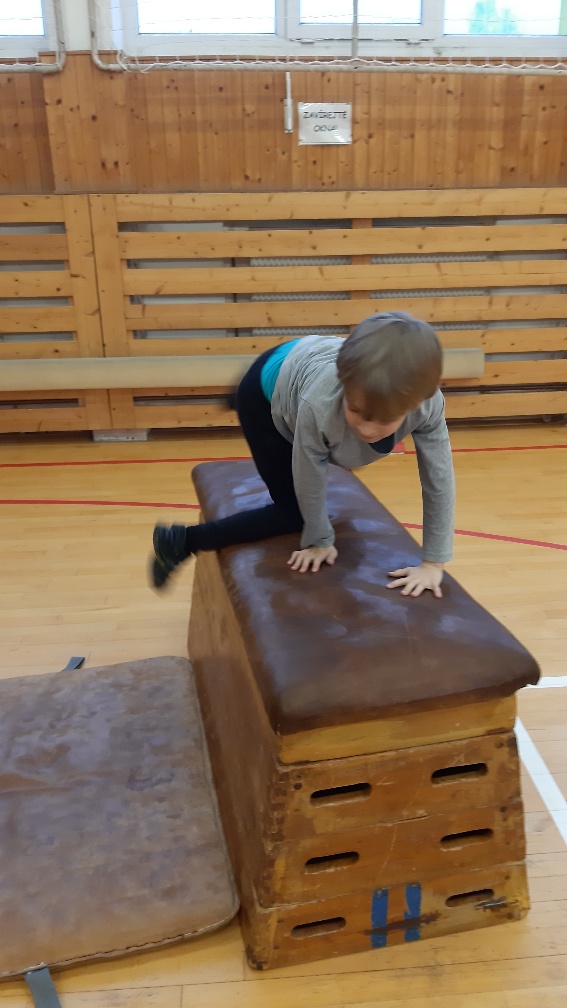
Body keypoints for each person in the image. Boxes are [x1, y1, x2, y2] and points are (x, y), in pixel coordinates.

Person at [150, 310, 455, 598]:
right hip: (264, 394)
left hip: (303, 358)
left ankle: (253, 390)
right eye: (356, 410)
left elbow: (439, 482)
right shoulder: (318, 405)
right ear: (344, 384)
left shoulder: (428, 407)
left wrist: (433, 563)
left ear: (418, 403)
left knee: (349, 449)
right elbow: (309, 475)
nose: (366, 428)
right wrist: (319, 540)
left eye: (384, 420)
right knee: (293, 513)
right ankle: (181, 542)